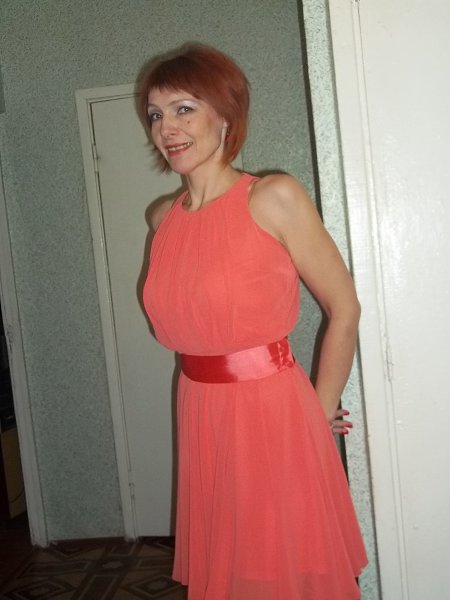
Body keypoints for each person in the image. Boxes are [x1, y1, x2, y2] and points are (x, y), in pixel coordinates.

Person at [139, 44, 367, 600]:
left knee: (279, 567)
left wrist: (317, 409)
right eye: (156, 114)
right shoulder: (161, 218)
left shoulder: (273, 197)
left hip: (271, 413)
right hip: (200, 408)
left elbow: (345, 307)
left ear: (226, 116)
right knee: (234, 570)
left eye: (185, 108)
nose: (167, 127)